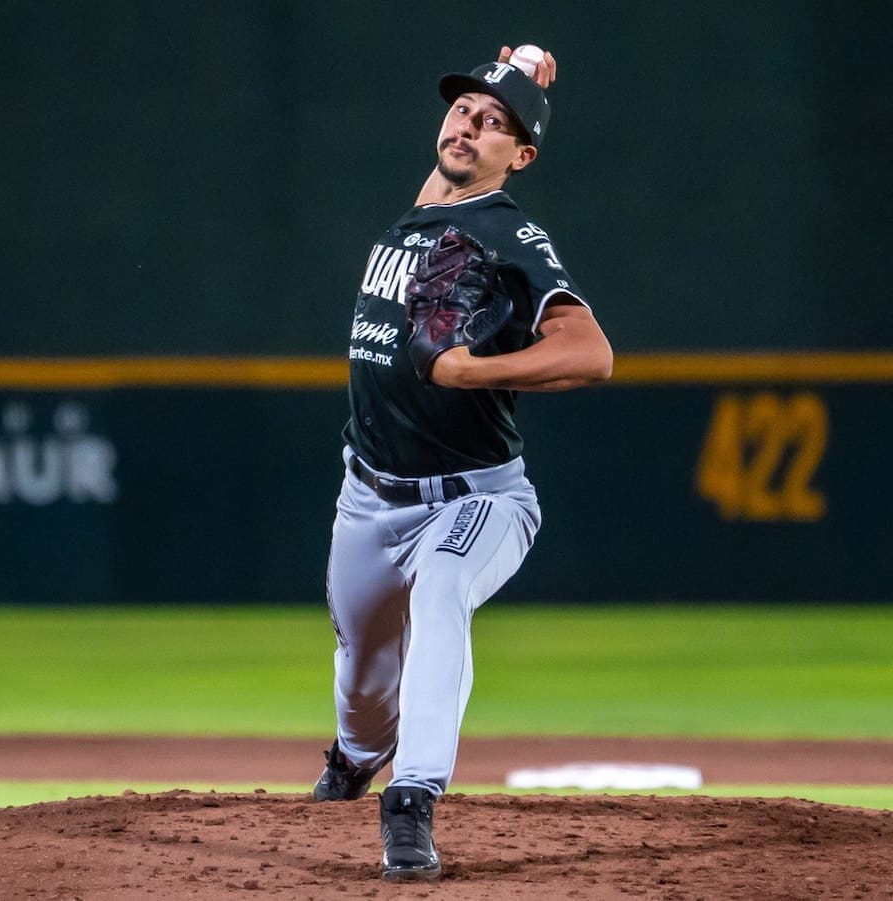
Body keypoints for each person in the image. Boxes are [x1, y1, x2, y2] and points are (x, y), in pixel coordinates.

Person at [313, 44, 613, 882]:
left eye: (494, 125)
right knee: (364, 685)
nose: (469, 126)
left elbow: (592, 353)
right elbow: (451, 178)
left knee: (443, 589)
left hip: (475, 498)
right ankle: (359, 754)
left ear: (521, 159)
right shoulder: (425, 213)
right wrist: (515, 65)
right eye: (463, 112)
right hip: (368, 496)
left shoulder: (510, 230)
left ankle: (411, 797)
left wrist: (475, 369)